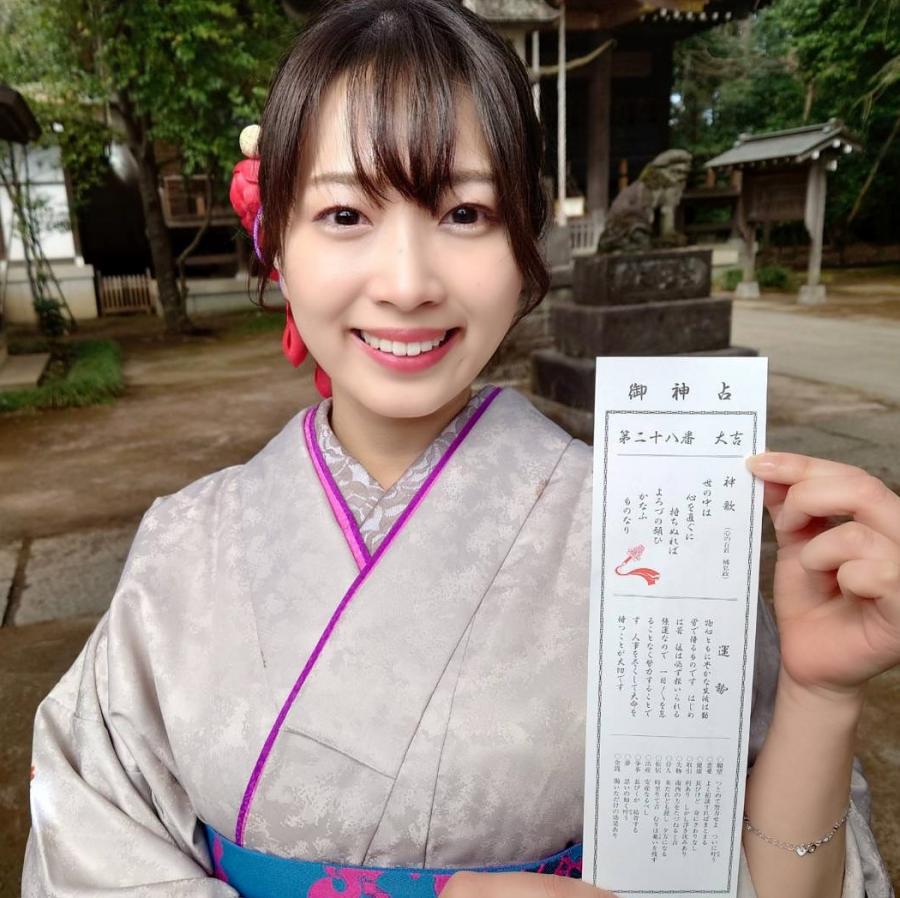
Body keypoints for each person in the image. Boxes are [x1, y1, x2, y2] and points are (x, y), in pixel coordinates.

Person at [21, 2, 899, 897]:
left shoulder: (653, 543)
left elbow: (765, 881)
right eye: (344, 213)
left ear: (525, 243)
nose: (407, 284)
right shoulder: (183, 544)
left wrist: (820, 695)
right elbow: (84, 841)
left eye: (466, 212)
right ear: (275, 242)